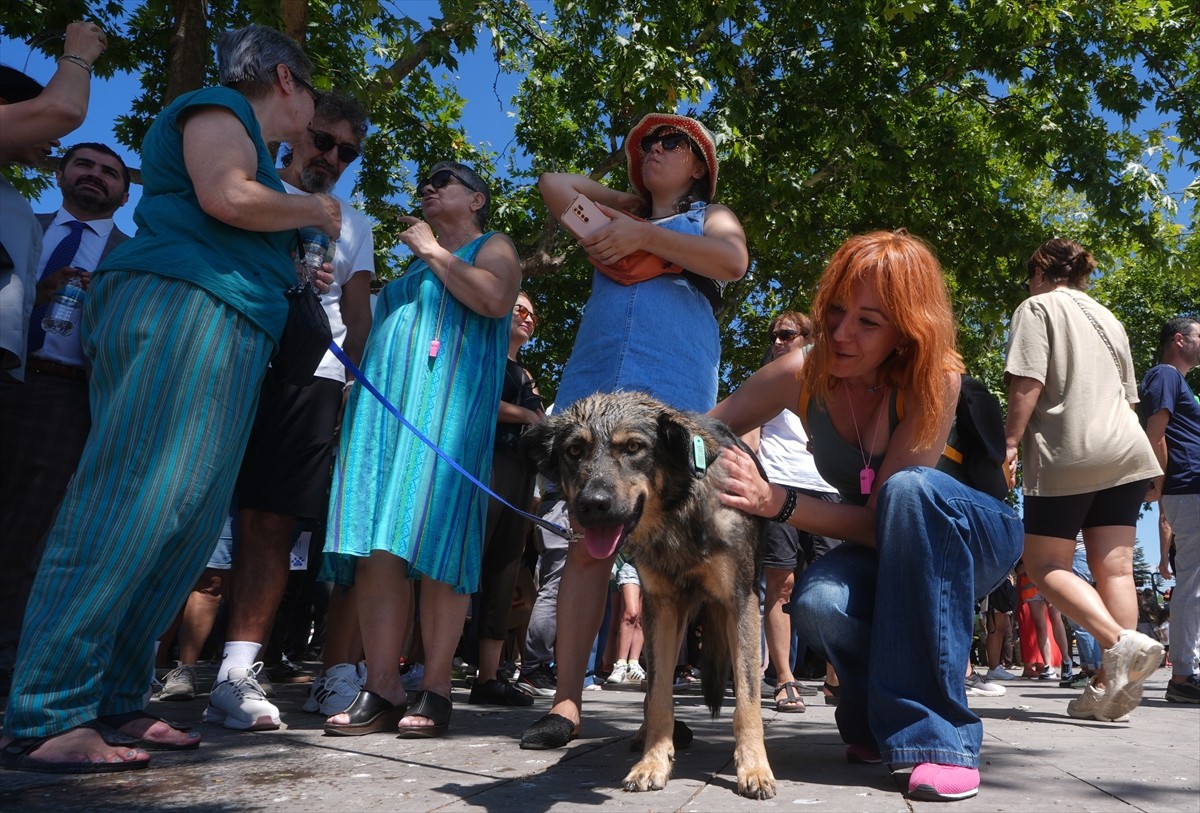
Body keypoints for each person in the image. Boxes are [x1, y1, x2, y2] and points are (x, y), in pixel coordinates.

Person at [0, 24, 339, 774]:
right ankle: (46, 710)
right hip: (184, 303)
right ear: (284, 79)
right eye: (310, 95)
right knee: (131, 503)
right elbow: (225, 195)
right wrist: (314, 212)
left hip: (231, 324)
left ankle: (118, 696)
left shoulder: (248, 135)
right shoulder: (218, 105)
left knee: (182, 523)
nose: (311, 115)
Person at [713, 230, 1023, 802]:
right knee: (818, 604)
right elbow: (705, 428)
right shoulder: (800, 373)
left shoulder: (937, 377)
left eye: (869, 321)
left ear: (908, 332)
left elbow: (886, 513)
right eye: (835, 311)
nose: (841, 332)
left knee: (908, 491)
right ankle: (869, 719)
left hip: (971, 536)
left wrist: (775, 500)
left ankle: (939, 739)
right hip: (883, 546)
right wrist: (628, 469)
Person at [519, 112, 748, 750]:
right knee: (582, 541)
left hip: (671, 394)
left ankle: (660, 712)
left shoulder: (710, 217)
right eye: (644, 143)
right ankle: (566, 703)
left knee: (669, 554)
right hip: (590, 388)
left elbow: (732, 260)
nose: (653, 148)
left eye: (671, 141)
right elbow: (552, 183)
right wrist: (631, 203)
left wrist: (646, 229)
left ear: (700, 163)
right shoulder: (612, 220)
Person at [322, 161, 521, 738]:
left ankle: (435, 687)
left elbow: (492, 298)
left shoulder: (492, 245)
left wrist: (433, 250)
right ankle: (381, 685)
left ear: (478, 198)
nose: (428, 187)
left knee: (437, 541)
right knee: (380, 543)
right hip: (384, 420)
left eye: (445, 180)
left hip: (446, 418)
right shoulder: (411, 266)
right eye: (424, 181)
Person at [199, 91, 375, 731]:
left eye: (348, 152)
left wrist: (349, 391)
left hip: (313, 376)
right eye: (324, 140)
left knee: (272, 522)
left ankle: (235, 673)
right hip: (230, 351)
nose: (333, 157)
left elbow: (357, 319)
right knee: (183, 502)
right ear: (297, 129)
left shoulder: (355, 224)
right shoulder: (242, 184)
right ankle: (127, 659)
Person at [1004, 238, 1163, 724]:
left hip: (1072, 450)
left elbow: (1027, 380)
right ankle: (1106, 689)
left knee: (1043, 562)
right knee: (1113, 570)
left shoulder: (1037, 307)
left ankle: (1120, 647)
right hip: (1126, 449)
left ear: (1040, 271)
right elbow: (1130, 397)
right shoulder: (1109, 318)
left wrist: (1009, 442)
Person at [0, 141, 130, 693]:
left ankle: (7, 664)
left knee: (26, 536)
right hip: (6, 371)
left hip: (66, 397)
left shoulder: (132, 254)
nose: (95, 176)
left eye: (110, 172)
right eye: (85, 164)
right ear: (60, 172)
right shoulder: (20, 224)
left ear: (125, 192)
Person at [739, 311, 840, 713]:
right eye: (774, 335)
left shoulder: (833, 384)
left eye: (786, 334)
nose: (778, 341)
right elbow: (749, 437)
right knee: (780, 584)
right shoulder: (765, 383)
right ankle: (784, 677)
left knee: (835, 586)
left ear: (809, 339)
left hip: (828, 490)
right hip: (779, 488)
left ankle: (837, 678)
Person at [0, 21, 108, 381]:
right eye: (37, 111)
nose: (57, 139)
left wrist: (37, 293)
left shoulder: (13, 205)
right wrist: (78, 54)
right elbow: (64, 110)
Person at [469, 292, 544, 706]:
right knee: (467, 560)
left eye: (533, 314)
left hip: (521, 471)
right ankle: (432, 668)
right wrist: (528, 416)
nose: (527, 318)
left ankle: (489, 676)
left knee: (505, 570)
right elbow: (474, 402)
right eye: (519, 308)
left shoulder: (526, 373)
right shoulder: (481, 354)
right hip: (485, 464)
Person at [1139, 316, 1200, 703]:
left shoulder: (1176, 381)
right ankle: (1182, 676)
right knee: (1193, 582)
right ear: (1179, 340)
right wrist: (1158, 486)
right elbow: (1154, 435)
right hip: (1188, 488)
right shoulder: (1165, 374)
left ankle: (1186, 671)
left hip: (1188, 488)